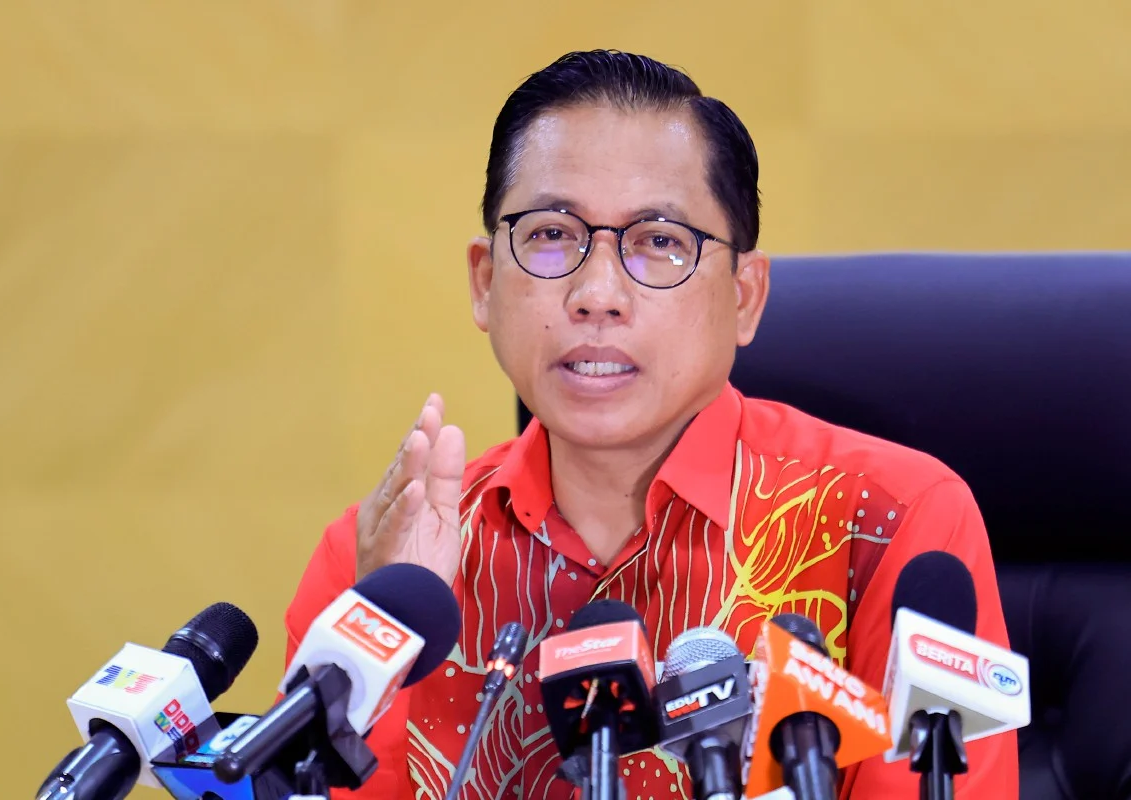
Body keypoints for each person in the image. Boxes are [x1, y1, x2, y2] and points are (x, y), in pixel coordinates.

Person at [284, 49, 1017, 799]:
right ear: (484, 281)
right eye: (550, 235)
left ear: (745, 296)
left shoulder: (888, 523)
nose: (597, 293)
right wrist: (385, 633)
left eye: (660, 241)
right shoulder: (383, 565)